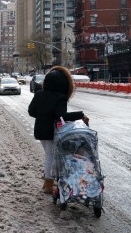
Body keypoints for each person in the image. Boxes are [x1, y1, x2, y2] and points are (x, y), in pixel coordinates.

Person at [28, 66, 89, 194]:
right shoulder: (60, 97)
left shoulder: (39, 94)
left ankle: (50, 179)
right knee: (51, 155)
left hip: (39, 130)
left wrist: (42, 116)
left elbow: (31, 111)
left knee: (49, 154)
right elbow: (62, 116)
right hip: (51, 131)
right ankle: (49, 184)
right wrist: (80, 115)